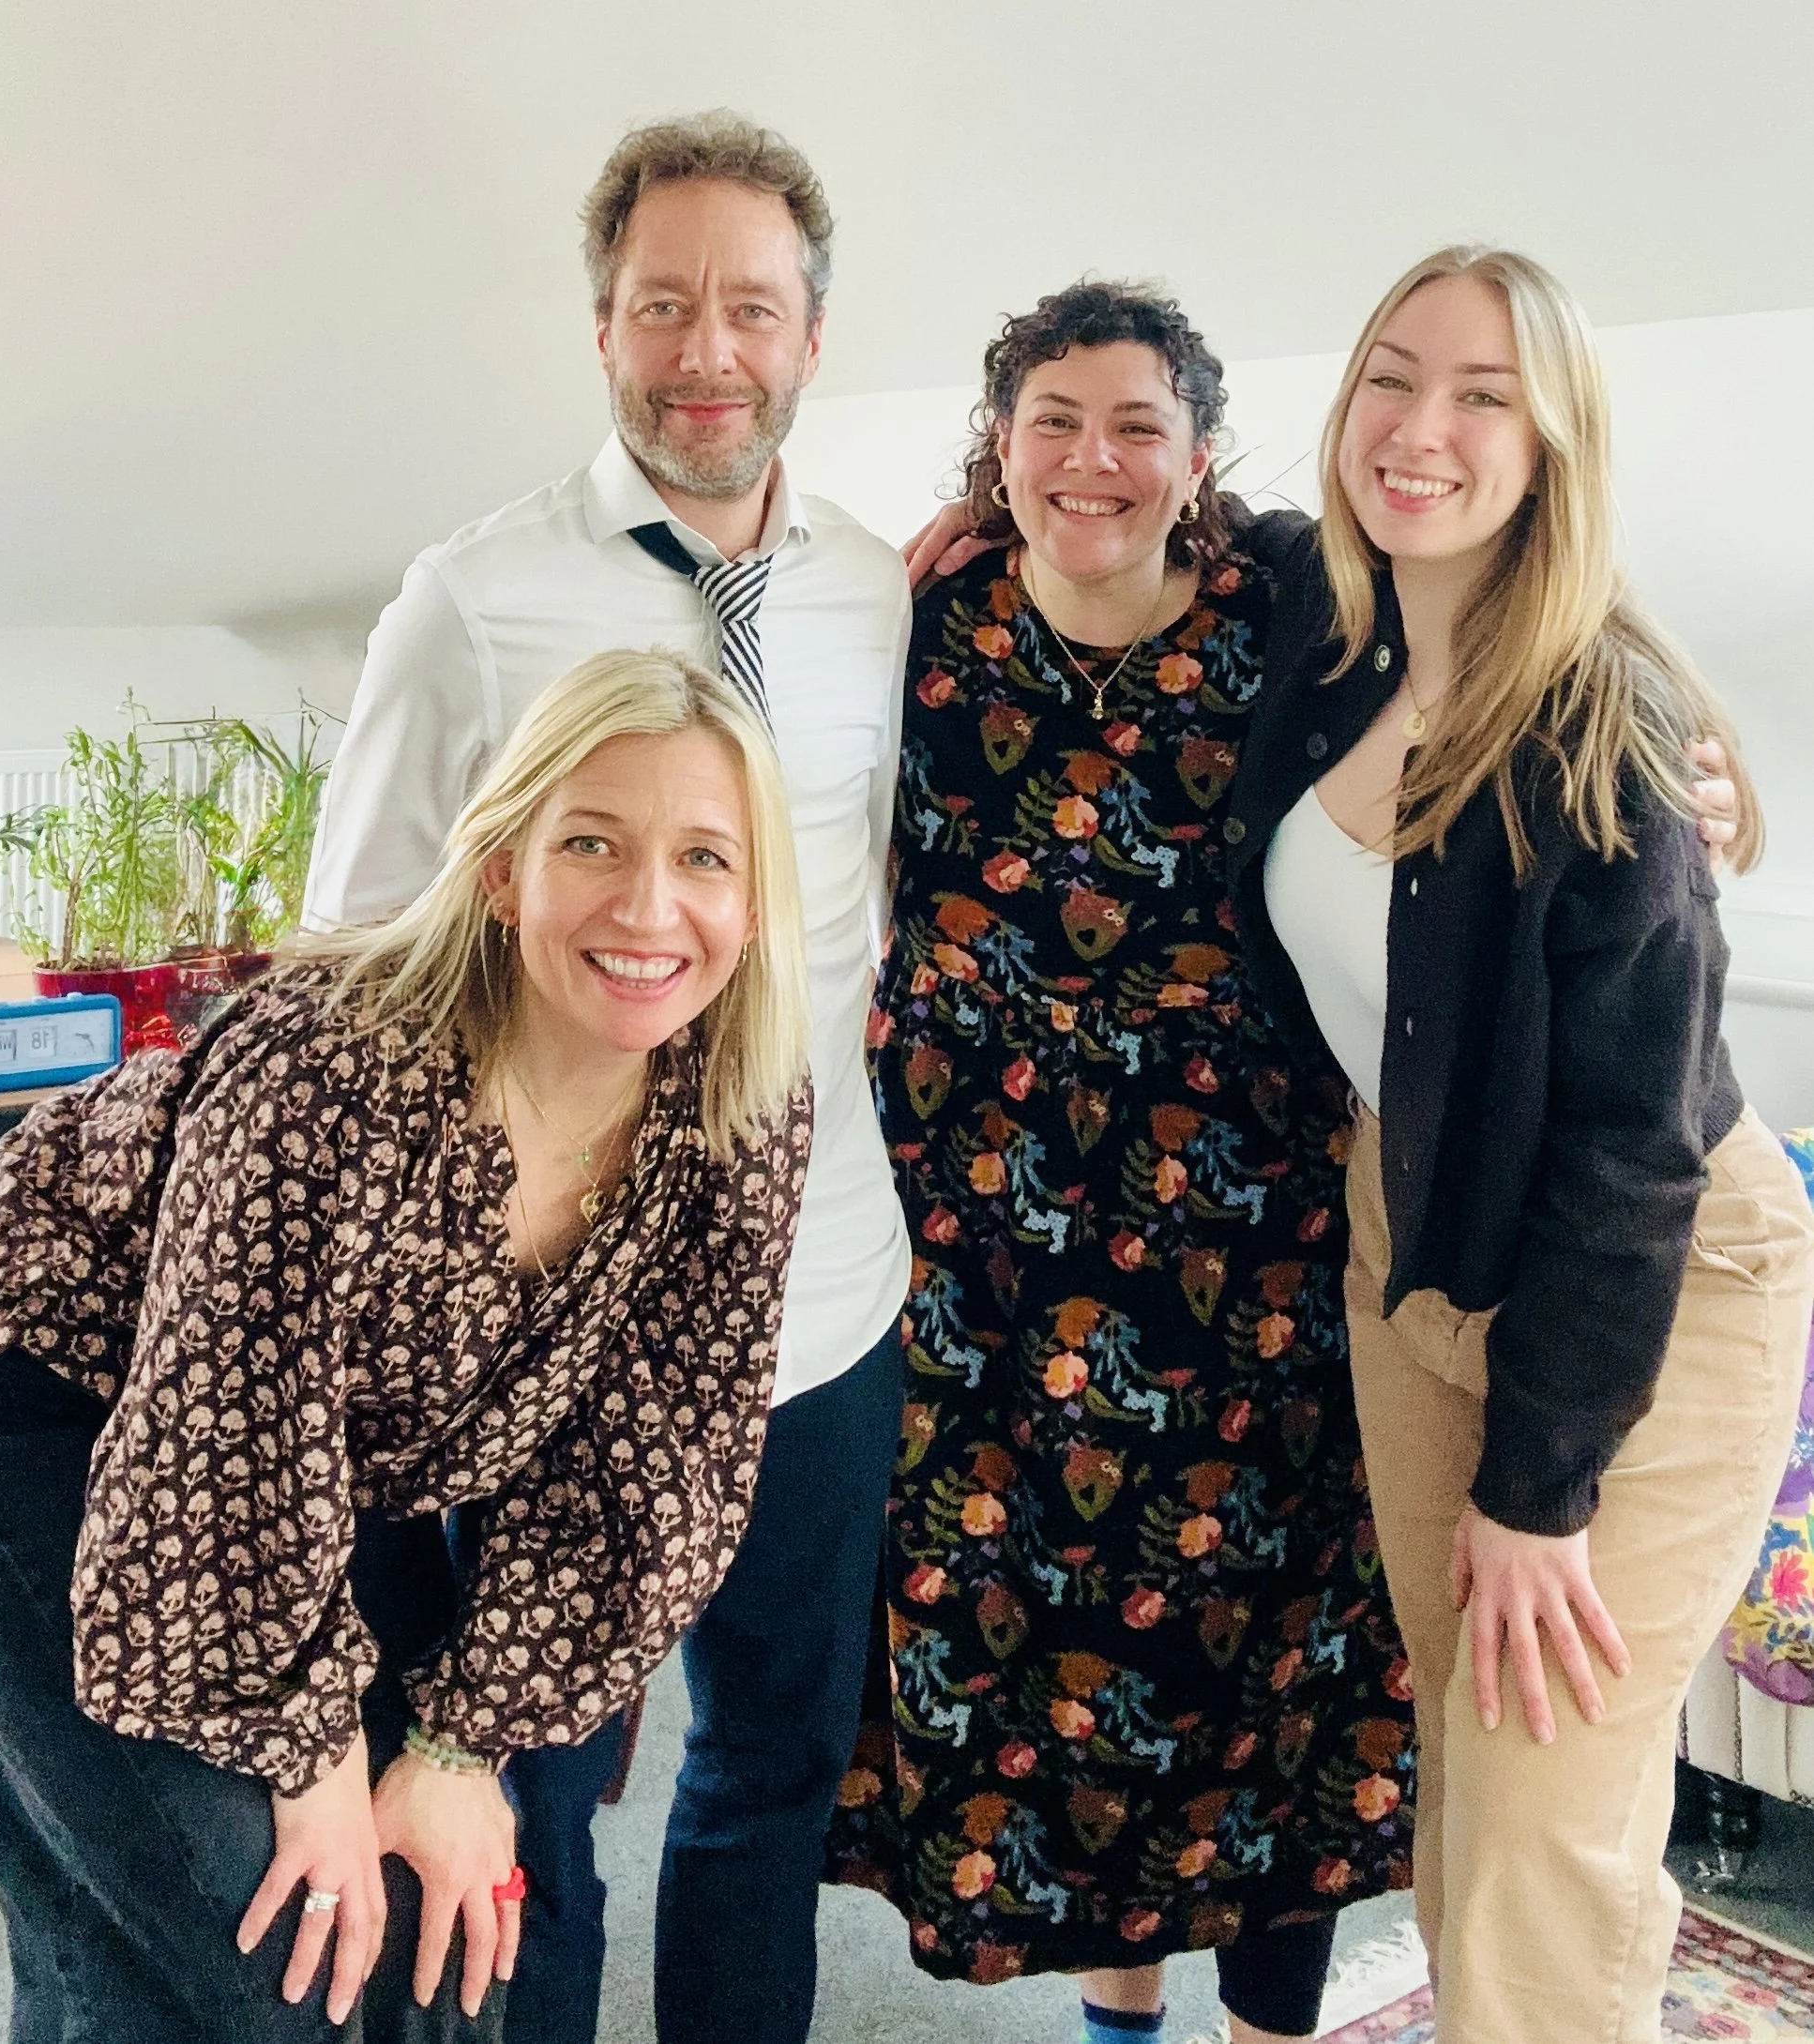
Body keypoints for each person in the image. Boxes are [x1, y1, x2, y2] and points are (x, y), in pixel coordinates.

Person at [0, 648, 814, 2044]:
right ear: (505, 868)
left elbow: (657, 1474)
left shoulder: (743, 1108)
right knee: (258, 1961)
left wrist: (458, 1746)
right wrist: (312, 1747)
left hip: (316, 1450)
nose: (649, 906)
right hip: (35, 1394)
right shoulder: (331, 1064)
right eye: (592, 841)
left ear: (755, 909)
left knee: (443, 1943)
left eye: (704, 856)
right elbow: (218, 1436)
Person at [301, 114, 912, 2044]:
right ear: (600, 330)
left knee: (767, 1771)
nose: (704, 352)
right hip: (546, 1328)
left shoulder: (885, 600)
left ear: (814, 335)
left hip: (817, 1304)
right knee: (523, 1801)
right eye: (664, 307)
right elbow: (352, 971)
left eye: (749, 307)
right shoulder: (470, 601)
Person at [1224, 246, 1814, 2043]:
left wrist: (1539, 1489)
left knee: (1533, 1826)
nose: (1420, 429)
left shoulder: (1598, 737)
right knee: (1473, 1786)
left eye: (1483, 395)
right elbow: (1178, 507)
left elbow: (1629, 1159)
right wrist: (968, 508)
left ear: (1553, 443)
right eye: (1390, 377)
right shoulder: (1328, 637)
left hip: (1644, 1272)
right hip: (1408, 1236)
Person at [826, 282, 1416, 2044]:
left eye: (1136, 425)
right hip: (979, 1253)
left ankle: (1268, 2025)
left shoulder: (1292, 616)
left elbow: (1512, 618)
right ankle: (1116, 2019)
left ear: (1198, 456)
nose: (1093, 458)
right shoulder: (910, 628)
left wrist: (1677, 745)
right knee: (1046, 1661)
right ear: (996, 446)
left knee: (1267, 1649)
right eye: (1052, 420)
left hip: (1242, 1239)